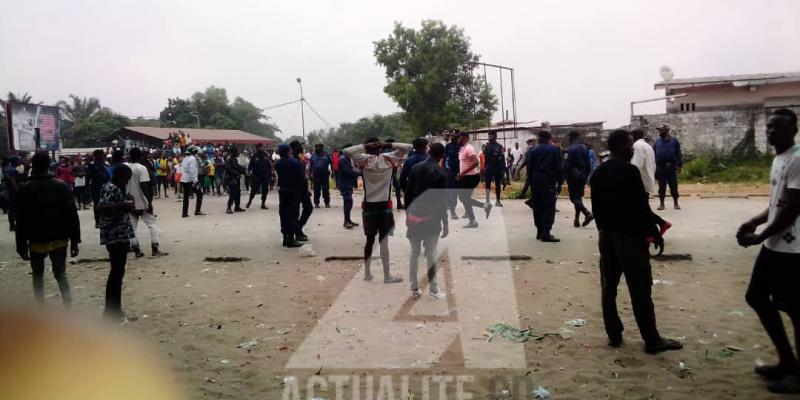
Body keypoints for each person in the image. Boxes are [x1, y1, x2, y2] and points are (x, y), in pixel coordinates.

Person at [590, 129, 682, 354]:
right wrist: (655, 233)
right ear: (620, 146)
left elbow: (597, 209)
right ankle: (652, 339)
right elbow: (640, 207)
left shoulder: (598, 173)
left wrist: (604, 232)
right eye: (629, 144)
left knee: (608, 287)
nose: (632, 148)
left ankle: (614, 335)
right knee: (640, 289)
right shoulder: (630, 172)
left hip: (606, 237)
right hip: (629, 239)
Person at [737, 109, 800, 394]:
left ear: (794, 129)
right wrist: (755, 220)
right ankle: (787, 360)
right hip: (775, 244)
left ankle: (796, 372)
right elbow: (777, 203)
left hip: (793, 248)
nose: (771, 131)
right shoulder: (779, 159)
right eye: (769, 126)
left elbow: (793, 208)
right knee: (757, 296)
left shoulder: (798, 158)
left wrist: (760, 234)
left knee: (795, 309)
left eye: (778, 127)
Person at [15, 151, 80, 308]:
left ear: (33, 166)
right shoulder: (62, 186)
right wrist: (75, 241)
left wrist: (21, 244)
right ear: (49, 165)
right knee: (61, 273)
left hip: (36, 238)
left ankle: (40, 308)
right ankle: (68, 306)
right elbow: (72, 216)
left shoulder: (25, 188)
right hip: (59, 237)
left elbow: (21, 220)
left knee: (38, 274)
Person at [344, 138, 411, 283]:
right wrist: (388, 145)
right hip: (385, 207)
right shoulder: (388, 158)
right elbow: (408, 147)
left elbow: (346, 151)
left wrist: (364, 145)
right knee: (384, 242)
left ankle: (367, 273)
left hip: (369, 206)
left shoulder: (363, 160)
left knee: (369, 240)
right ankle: (387, 276)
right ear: (380, 148)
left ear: (367, 149)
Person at [404, 142, 448, 300]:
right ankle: (434, 290)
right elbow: (442, 201)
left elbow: (407, 194)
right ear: (442, 155)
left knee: (414, 252)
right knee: (431, 253)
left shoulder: (415, 168)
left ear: (429, 152)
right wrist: (445, 223)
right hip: (432, 216)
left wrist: (407, 216)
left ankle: (414, 289)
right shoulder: (440, 172)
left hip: (414, 215)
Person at [96, 164, 136, 320]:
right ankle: (113, 310)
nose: (126, 183)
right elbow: (101, 207)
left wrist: (126, 204)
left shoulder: (113, 188)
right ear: (120, 177)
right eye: (126, 179)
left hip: (118, 233)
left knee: (117, 273)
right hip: (115, 235)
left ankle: (112, 309)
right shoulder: (112, 188)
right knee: (116, 273)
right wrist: (122, 205)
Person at [126, 148, 167, 258]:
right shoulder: (141, 168)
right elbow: (144, 186)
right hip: (141, 200)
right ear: (140, 156)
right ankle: (155, 249)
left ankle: (136, 250)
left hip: (129, 201)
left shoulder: (125, 167)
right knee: (151, 224)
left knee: (132, 227)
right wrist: (149, 202)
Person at [631, 129, 671, 236]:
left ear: (634, 136)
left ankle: (657, 228)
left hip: (641, 181)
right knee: (642, 208)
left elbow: (636, 165)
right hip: (647, 179)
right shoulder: (648, 146)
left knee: (640, 209)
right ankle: (659, 226)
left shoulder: (637, 146)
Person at [527, 131, 562, 242]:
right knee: (549, 206)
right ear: (549, 138)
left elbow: (529, 167)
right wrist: (560, 182)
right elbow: (558, 167)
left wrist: (530, 181)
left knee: (537, 205)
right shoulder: (554, 150)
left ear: (539, 138)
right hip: (548, 179)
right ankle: (546, 232)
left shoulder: (533, 150)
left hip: (536, 179)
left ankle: (539, 231)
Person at [455, 132, 491, 228]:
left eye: (459, 137)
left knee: (463, 198)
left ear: (465, 138)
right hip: (466, 177)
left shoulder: (469, 148)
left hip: (470, 177)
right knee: (464, 198)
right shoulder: (462, 148)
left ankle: (474, 219)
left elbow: (476, 162)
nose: (457, 139)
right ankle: (481, 209)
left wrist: (462, 173)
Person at [274, 144, 304, 248]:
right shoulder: (295, 162)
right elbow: (301, 177)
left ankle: (285, 238)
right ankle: (291, 239)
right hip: (293, 190)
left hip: (282, 191)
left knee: (283, 214)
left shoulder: (277, 164)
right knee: (293, 214)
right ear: (288, 151)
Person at [563, 131, 594, 228]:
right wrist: (586, 175)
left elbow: (566, 165)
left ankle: (587, 213)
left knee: (574, 198)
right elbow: (588, 164)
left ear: (571, 138)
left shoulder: (570, 149)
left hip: (573, 176)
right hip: (583, 175)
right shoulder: (584, 148)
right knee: (578, 197)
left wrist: (564, 176)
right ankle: (576, 219)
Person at [653, 124, 683, 210]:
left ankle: (676, 203)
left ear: (667, 130)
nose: (659, 132)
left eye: (661, 130)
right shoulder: (657, 142)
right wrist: (654, 168)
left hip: (671, 167)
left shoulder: (674, 141)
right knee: (661, 187)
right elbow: (654, 154)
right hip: (660, 168)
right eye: (659, 130)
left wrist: (680, 165)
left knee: (673, 186)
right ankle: (661, 204)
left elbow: (678, 154)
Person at [290, 141, 312, 241]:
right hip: (297, 188)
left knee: (308, 208)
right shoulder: (293, 159)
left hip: (303, 186)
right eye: (299, 146)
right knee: (297, 211)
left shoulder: (300, 157)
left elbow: (306, 165)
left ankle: (298, 229)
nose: (301, 148)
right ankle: (297, 231)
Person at [337, 143, 360, 229]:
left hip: (347, 183)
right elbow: (347, 172)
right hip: (344, 183)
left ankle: (348, 220)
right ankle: (346, 221)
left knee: (349, 202)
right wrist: (359, 173)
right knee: (348, 202)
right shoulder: (343, 159)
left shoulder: (347, 158)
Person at [86, 149, 110, 228]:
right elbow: (88, 178)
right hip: (96, 187)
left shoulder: (106, 165)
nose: (102, 156)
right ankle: (97, 221)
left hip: (106, 187)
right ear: (96, 156)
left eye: (103, 154)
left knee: (106, 203)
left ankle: (105, 220)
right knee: (97, 204)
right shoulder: (92, 165)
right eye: (101, 154)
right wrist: (87, 189)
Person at [483, 131, 506, 207]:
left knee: (498, 185)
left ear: (495, 136)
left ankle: (498, 201)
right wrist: (485, 169)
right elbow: (485, 159)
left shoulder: (499, 146)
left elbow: (502, 159)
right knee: (487, 185)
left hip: (497, 168)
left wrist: (503, 170)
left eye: (491, 135)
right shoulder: (486, 146)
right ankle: (487, 201)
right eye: (488, 135)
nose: (489, 137)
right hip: (488, 168)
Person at [180, 146, 204, 217]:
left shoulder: (185, 158)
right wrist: (195, 181)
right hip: (191, 180)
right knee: (200, 193)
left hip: (184, 179)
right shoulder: (192, 159)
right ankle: (197, 211)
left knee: (186, 197)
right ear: (194, 152)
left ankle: (184, 213)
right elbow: (192, 171)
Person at [247, 143, 273, 209]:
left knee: (265, 190)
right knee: (254, 189)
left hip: (265, 175)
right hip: (256, 175)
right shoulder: (254, 156)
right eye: (262, 147)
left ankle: (263, 204)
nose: (264, 148)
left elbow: (268, 165)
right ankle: (250, 200)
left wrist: (271, 173)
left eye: (264, 147)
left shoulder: (265, 155)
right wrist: (248, 171)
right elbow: (250, 165)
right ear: (258, 148)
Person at [443, 131, 461, 219]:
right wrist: (444, 169)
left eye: (454, 135)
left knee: (457, 192)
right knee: (450, 191)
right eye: (451, 135)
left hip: (459, 172)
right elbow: (444, 158)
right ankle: (452, 211)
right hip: (449, 171)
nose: (452, 137)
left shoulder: (460, 146)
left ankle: (466, 211)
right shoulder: (448, 146)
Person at [225, 147, 246, 214]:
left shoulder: (234, 160)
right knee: (232, 193)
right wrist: (236, 172)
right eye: (236, 151)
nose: (237, 153)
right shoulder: (229, 159)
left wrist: (242, 169)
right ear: (233, 152)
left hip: (236, 178)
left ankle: (237, 207)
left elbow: (237, 166)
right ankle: (229, 207)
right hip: (231, 179)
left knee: (237, 193)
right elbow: (228, 168)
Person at [310, 144, 333, 208]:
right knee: (316, 189)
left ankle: (327, 203)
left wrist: (333, 172)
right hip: (316, 175)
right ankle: (316, 203)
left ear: (322, 148)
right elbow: (311, 166)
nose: (317, 148)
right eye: (316, 147)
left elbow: (331, 163)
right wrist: (309, 175)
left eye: (318, 147)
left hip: (324, 175)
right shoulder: (313, 155)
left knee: (325, 189)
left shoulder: (327, 155)